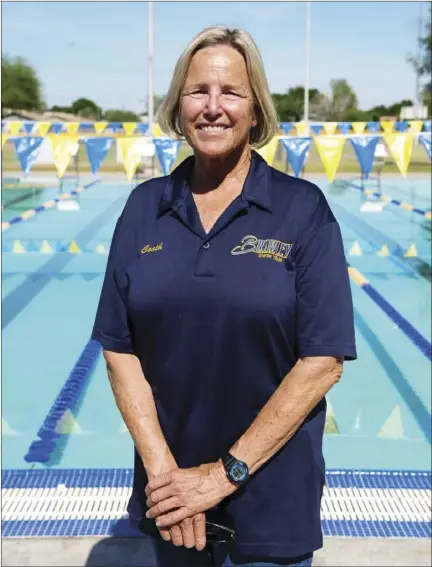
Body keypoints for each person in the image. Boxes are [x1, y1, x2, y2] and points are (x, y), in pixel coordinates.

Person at [91, 26, 357, 567]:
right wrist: (167, 476)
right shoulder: (145, 207)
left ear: (256, 109)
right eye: (198, 92)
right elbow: (119, 348)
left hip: (271, 501)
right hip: (172, 502)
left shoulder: (301, 209)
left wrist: (222, 474)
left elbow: (323, 360)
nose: (213, 108)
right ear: (178, 104)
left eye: (231, 92)